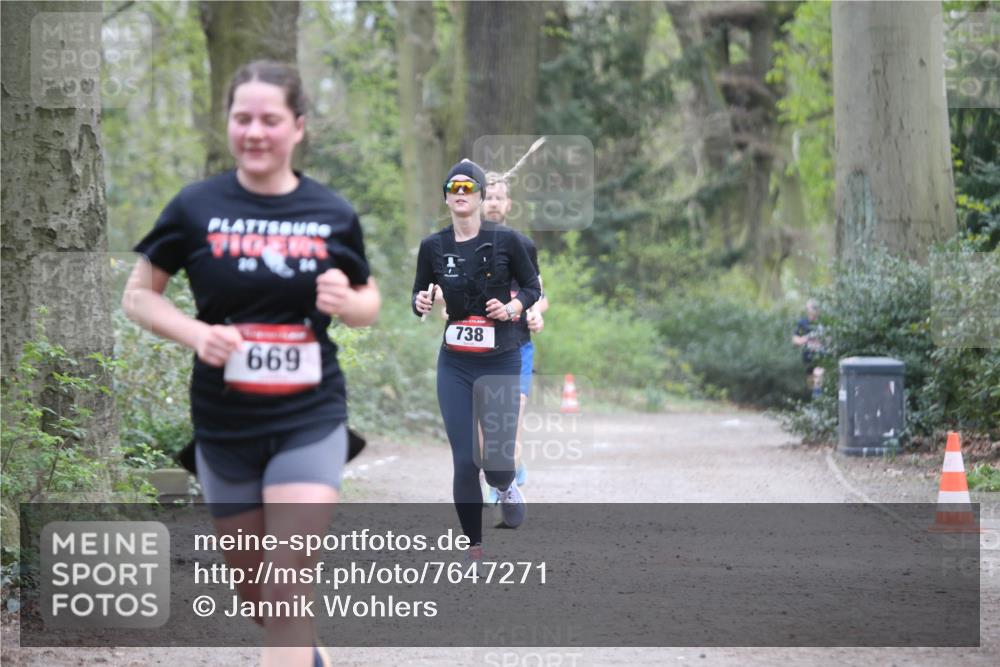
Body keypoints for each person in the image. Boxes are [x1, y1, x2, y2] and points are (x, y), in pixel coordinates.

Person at [122, 60, 380, 667]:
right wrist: (196, 333)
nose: (255, 132)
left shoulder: (331, 211)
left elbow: (369, 302)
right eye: (243, 119)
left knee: (287, 583)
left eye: (270, 119)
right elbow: (138, 296)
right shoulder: (194, 207)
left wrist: (349, 302)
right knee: (258, 595)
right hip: (224, 425)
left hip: (308, 418)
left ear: (298, 127)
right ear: (229, 124)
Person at [411, 159, 541, 564]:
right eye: (455, 188)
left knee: (497, 461)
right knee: (465, 459)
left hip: (501, 360)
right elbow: (418, 297)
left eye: (470, 189)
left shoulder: (509, 242)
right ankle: (474, 546)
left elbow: (533, 288)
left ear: (482, 196)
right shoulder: (433, 246)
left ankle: (504, 486)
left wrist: (513, 307)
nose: (462, 195)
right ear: (447, 197)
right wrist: (421, 302)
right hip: (455, 364)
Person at [479, 172, 549, 503]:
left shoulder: (522, 245)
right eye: (487, 196)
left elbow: (539, 293)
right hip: (478, 347)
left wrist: (536, 312)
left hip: (518, 346)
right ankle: (507, 472)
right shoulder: (462, 245)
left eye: (498, 197)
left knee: (512, 417)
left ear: (509, 204)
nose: (493, 202)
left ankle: (501, 488)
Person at [792, 299, 825, 398]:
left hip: (820, 356)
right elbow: (795, 339)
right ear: (807, 309)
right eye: (812, 307)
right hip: (807, 356)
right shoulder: (802, 323)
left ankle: (818, 400)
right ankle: (815, 399)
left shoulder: (823, 323)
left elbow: (830, 338)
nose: (814, 310)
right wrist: (805, 339)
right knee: (811, 381)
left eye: (816, 307)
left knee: (818, 375)